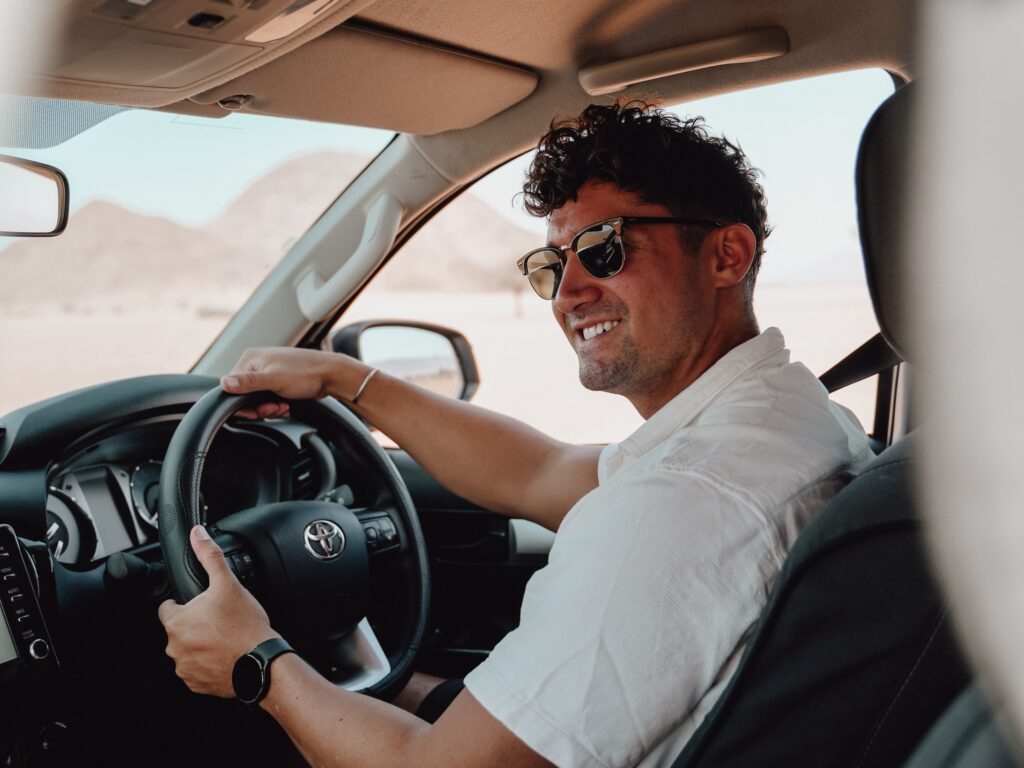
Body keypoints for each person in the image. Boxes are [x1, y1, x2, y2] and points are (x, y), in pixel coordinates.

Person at [158, 102, 872, 767]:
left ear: (726, 255)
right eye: (552, 265)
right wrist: (346, 381)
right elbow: (541, 472)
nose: (567, 294)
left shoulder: (682, 504)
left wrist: (255, 663)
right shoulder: (781, 417)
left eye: (604, 249)